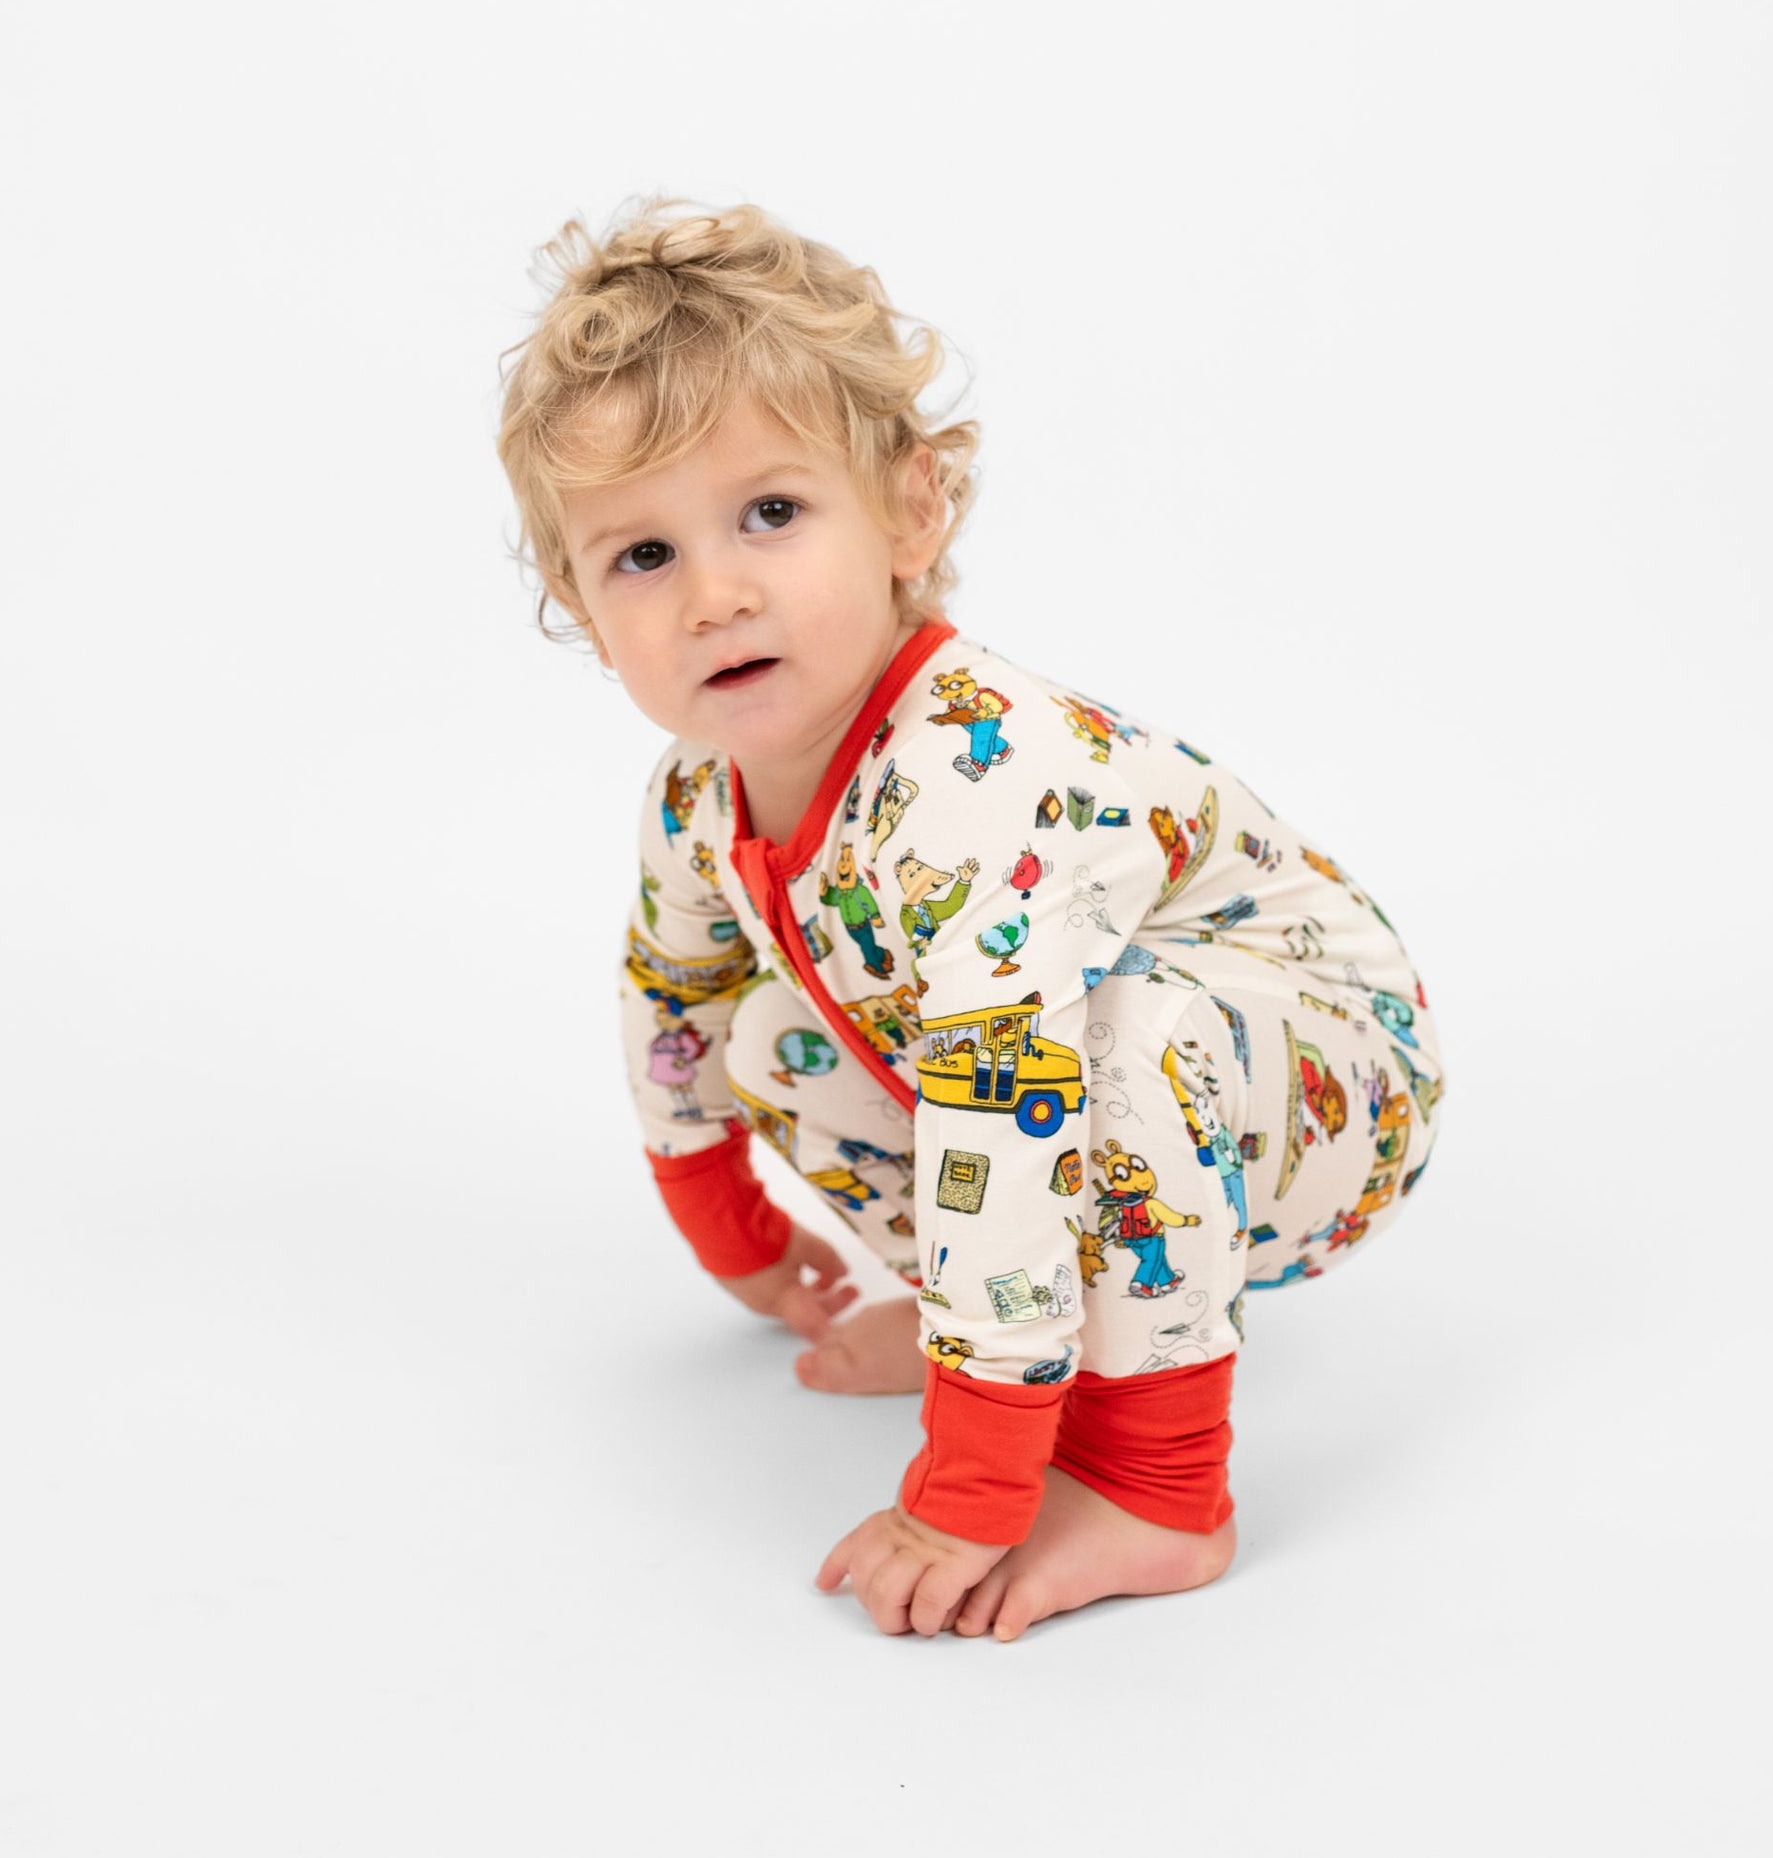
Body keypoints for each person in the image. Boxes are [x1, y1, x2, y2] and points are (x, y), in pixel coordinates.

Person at [493, 195, 1449, 1642]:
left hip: (1325, 1090)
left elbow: (1011, 1108)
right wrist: (731, 1233)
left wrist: (973, 1480)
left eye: (770, 513)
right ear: (578, 600)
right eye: (642, 556)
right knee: (772, 1034)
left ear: (910, 509)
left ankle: (1158, 1486)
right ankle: (1014, 1335)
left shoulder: (973, 778)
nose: (716, 596)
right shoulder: (696, 793)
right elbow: (670, 996)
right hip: (1092, 1089)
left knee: (1115, 1037)